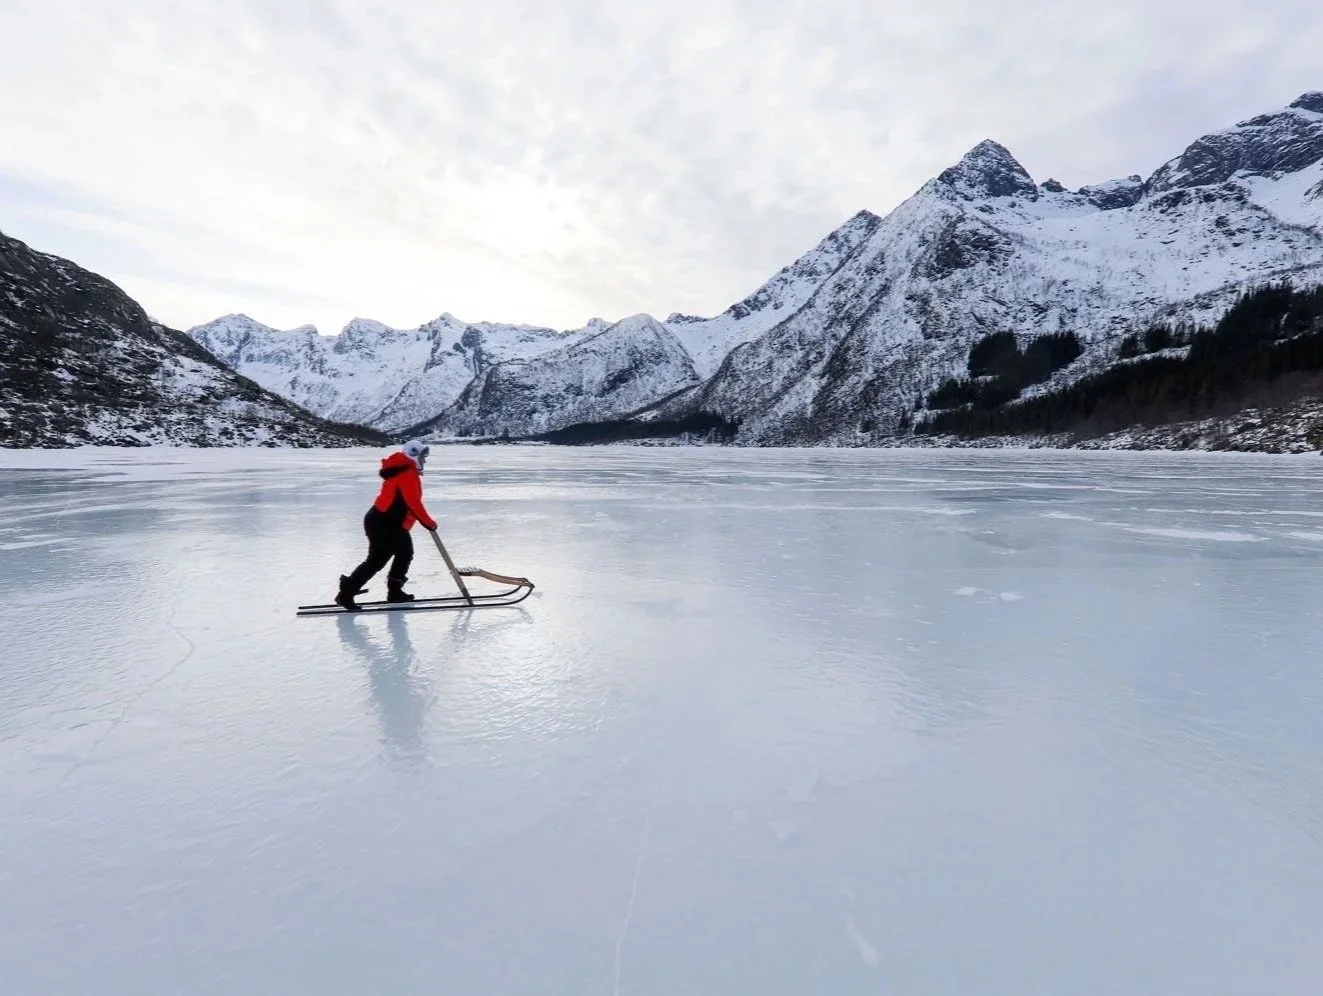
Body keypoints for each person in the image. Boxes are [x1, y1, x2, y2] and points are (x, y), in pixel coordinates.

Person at [336, 439, 439, 611]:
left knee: (382, 559)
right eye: (423, 457)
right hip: (383, 522)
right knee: (399, 554)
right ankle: (386, 592)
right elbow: (413, 502)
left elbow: (408, 505)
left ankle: (350, 592)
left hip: (384, 521)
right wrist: (429, 523)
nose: (425, 461)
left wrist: (411, 525)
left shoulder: (405, 470)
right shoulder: (406, 473)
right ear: (413, 455)